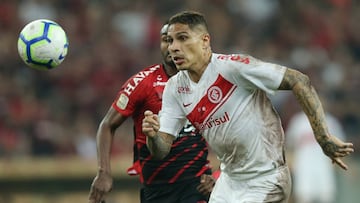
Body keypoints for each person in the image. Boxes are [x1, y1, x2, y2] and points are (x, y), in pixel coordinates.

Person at [142, 11, 354, 203]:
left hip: (267, 179)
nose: (173, 47)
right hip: (229, 182)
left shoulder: (232, 68)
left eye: (182, 38)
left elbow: (299, 80)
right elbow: (161, 150)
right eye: (170, 41)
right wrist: (152, 136)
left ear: (205, 41)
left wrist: (323, 137)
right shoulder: (175, 89)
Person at [88, 23, 216, 203]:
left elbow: (235, 136)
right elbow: (107, 125)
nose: (173, 46)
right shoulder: (142, 83)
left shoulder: (209, 82)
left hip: (197, 186)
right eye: (166, 40)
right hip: (156, 190)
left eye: (180, 39)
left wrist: (220, 177)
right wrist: (104, 173)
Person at [286, 111, 346, 203]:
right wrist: (291, 162)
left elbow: (342, 148)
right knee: (303, 198)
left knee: (326, 198)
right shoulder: (298, 121)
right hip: (304, 168)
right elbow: (289, 146)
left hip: (324, 168)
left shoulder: (331, 122)